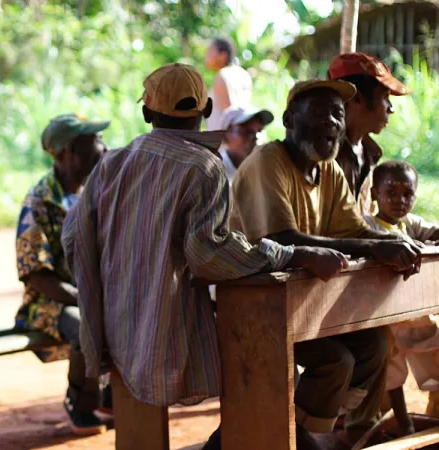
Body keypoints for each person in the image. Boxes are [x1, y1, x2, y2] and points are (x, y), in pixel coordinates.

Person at [62, 62, 350, 445]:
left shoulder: (111, 163)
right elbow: (209, 254)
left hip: (116, 330)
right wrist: (289, 254)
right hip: (168, 333)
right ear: (206, 109)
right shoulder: (203, 167)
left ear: (147, 112)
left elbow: (74, 239)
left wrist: (109, 296)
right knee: (262, 371)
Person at [222, 80, 422, 448]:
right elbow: (283, 239)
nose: (332, 122)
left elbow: (356, 228)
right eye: (319, 113)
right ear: (288, 120)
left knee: (375, 346)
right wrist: (374, 246)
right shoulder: (269, 161)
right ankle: (299, 435)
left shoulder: (326, 169)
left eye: (338, 114)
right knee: (336, 361)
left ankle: (298, 430)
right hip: (253, 304)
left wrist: (397, 241)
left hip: (300, 303)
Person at [15, 113, 111, 435]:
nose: (104, 146)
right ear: (68, 153)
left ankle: (108, 393)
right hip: (47, 303)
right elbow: (36, 276)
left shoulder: (94, 191)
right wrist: (87, 299)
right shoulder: (40, 202)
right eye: (94, 141)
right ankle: (80, 399)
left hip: (87, 296)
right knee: (86, 324)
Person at [363, 161, 439, 436]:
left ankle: (433, 413)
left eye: (407, 194)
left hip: (416, 313)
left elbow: (434, 232)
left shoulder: (409, 223)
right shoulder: (368, 226)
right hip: (386, 316)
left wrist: (429, 244)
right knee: (391, 370)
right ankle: (402, 421)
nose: (399, 200)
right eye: (391, 192)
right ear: (374, 194)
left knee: (435, 353)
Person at [328, 52, 411, 216]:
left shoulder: (369, 152)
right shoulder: (327, 156)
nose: (391, 108)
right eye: (385, 96)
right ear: (357, 98)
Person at [204, 37, 253, 131]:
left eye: (210, 52)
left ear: (223, 55)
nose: (206, 56)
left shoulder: (221, 75)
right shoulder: (245, 74)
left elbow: (229, 116)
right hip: (244, 136)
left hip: (225, 141)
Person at [218, 105, 273, 182]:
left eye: (259, 130)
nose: (255, 136)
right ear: (225, 135)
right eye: (247, 131)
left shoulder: (266, 170)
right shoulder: (215, 175)